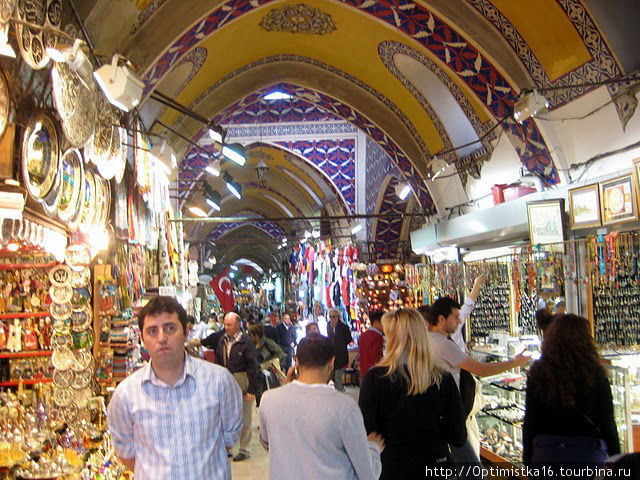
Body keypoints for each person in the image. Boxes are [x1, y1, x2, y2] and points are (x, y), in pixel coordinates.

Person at [107, 296, 242, 480]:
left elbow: (229, 438)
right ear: (142, 338)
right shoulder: (126, 395)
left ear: (186, 332)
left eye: (170, 328)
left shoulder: (219, 382)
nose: (162, 338)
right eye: (152, 331)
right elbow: (126, 453)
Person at [427, 296, 530, 480]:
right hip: (451, 417)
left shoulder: (430, 341)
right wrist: (514, 362)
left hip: (441, 415)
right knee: (474, 472)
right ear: (441, 319)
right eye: (455, 317)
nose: (459, 321)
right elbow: (481, 369)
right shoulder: (442, 344)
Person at [358, 308, 466, 479]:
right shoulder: (442, 379)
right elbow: (458, 436)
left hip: (392, 468)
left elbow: (366, 432)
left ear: (392, 338)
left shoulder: (375, 379)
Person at [259, 333, 384, 480]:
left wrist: (287, 388)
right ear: (332, 362)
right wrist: (374, 448)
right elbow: (368, 474)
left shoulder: (269, 399)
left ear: (296, 361)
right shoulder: (345, 407)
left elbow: (268, 443)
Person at [523, 314, 619, 467]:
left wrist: (528, 459)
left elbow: (530, 421)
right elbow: (607, 423)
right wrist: (616, 459)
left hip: (547, 456)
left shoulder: (539, 372)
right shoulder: (594, 373)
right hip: (587, 458)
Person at [215, 312, 261, 462]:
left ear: (238, 325)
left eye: (229, 325)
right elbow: (218, 361)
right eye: (225, 324)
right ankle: (227, 447)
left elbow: (253, 367)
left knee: (245, 418)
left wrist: (252, 390)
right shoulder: (222, 340)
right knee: (225, 416)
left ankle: (244, 449)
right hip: (225, 385)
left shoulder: (246, 342)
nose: (226, 327)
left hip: (242, 385)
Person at [327, 307, 353, 392]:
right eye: (330, 316)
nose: (332, 319)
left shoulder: (344, 327)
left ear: (338, 317)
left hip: (340, 354)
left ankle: (339, 391)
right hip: (331, 355)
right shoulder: (329, 326)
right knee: (332, 375)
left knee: (338, 375)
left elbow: (349, 339)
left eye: (333, 317)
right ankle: (339, 389)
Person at [358, 311, 384, 378]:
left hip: (364, 371)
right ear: (376, 323)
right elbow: (376, 357)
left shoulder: (363, 335)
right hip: (374, 373)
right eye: (383, 323)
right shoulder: (377, 337)